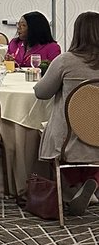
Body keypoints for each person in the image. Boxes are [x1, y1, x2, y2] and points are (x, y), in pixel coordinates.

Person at [33, 11, 99, 214]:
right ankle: (92, 183)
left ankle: (74, 188)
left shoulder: (65, 61)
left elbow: (42, 93)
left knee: (47, 134)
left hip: (68, 139)